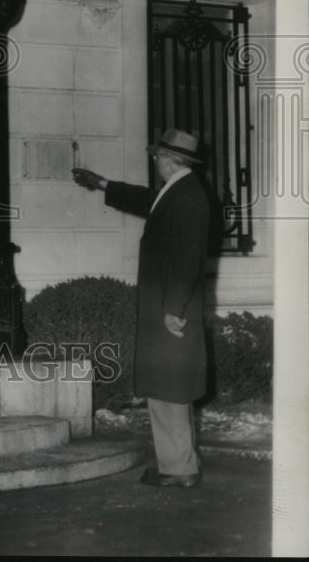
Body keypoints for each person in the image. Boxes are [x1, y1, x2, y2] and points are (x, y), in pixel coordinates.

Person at [73, 128, 210, 488]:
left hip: (170, 311)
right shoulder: (179, 191)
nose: (155, 161)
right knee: (166, 387)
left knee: (170, 389)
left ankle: (180, 468)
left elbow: (188, 260)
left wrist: (174, 309)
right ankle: (176, 464)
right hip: (166, 306)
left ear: (167, 159)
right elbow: (147, 200)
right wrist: (102, 184)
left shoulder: (188, 199)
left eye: (157, 156)